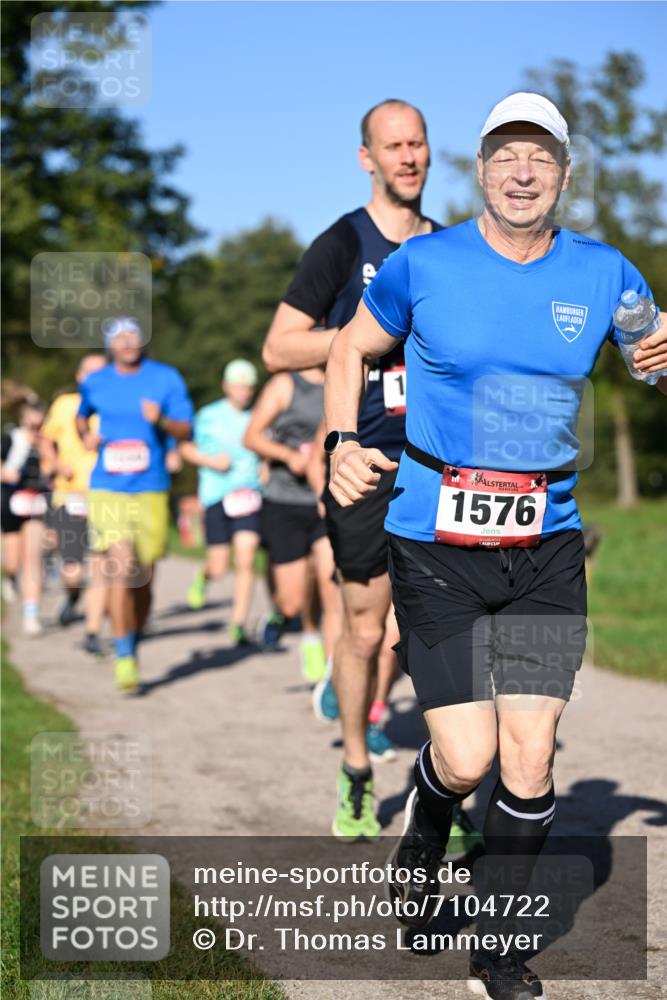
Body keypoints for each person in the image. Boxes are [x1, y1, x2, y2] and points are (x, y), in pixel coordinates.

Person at [324, 92, 667, 998]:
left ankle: (497, 949)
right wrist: (339, 444)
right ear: (480, 169)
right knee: (467, 757)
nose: (522, 174)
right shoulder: (421, 262)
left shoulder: (605, 273)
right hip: (433, 539)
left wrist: (656, 357)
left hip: (546, 544)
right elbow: (348, 351)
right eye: (505, 157)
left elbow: (649, 343)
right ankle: (425, 824)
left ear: (563, 174)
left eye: (541, 159)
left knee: (529, 753)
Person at [264, 99, 481, 841]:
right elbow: (278, 348)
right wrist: (363, 336)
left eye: (417, 143)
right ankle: (356, 769)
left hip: (441, 465)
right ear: (367, 158)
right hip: (362, 461)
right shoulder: (339, 243)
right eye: (392, 146)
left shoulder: (452, 246)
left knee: (445, 631)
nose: (407, 156)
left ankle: (443, 788)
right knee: (363, 632)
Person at [77, 318, 193, 692]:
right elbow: (81, 418)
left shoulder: (165, 378)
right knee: (121, 567)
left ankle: (134, 632)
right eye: (120, 338)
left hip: (151, 488)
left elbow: (185, 429)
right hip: (107, 487)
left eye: (134, 337)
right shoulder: (96, 381)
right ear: (110, 344)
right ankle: (124, 653)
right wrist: (87, 436)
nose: (128, 343)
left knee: (144, 578)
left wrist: (160, 420)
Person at [243, 367, 341, 681]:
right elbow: (251, 436)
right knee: (292, 600)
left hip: (325, 499)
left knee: (330, 581)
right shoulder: (286, 384)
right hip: (284, 501)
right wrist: (288, 456)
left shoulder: (344, 376)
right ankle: (301, 627)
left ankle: (332, 674)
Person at [182, 359, 262, 647]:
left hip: (248, 495)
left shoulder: (258, 416)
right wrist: (210, 461)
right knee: (219, 566)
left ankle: (238, 623)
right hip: (216, 495)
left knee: (246, 557)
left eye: (249, 388)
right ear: (226, 386)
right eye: (239, 387)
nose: (245, 393)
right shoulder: (208, 416)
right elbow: (186, 449)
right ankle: (204, 577)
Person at [41, 354, 109, 652]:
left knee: (101, 565)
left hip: (106, 495)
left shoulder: (113, 405)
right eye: (91, 373)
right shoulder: (64, 404)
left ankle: (92, 633)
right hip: (69, 495)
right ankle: (72, 596)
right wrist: (56, 464)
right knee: (73, 570)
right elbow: (44, 440)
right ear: (80, 376)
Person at [1, 397, 49, 635]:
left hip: (37, 503)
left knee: (33, 558)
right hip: (11, 500)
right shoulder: (12, 438)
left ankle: (31, 614)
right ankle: (9, 577)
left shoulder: (49, 441)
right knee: (13, 559)